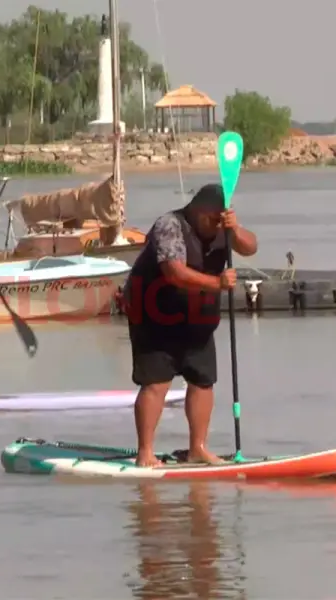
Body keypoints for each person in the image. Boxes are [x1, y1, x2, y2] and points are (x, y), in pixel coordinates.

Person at [125, 183, 258, 466]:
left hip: (196, 317)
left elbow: (250, 247)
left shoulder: (224, 226)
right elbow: (174, 272)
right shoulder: (170, 225)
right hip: (154, 313)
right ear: (197, 210)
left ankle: (198, 448)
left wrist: (233, 230)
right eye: (210, 219)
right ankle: (145, 453)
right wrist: (216, 283)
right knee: (156, 382)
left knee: (202, 379)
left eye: (218, 220)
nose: (213, 226)